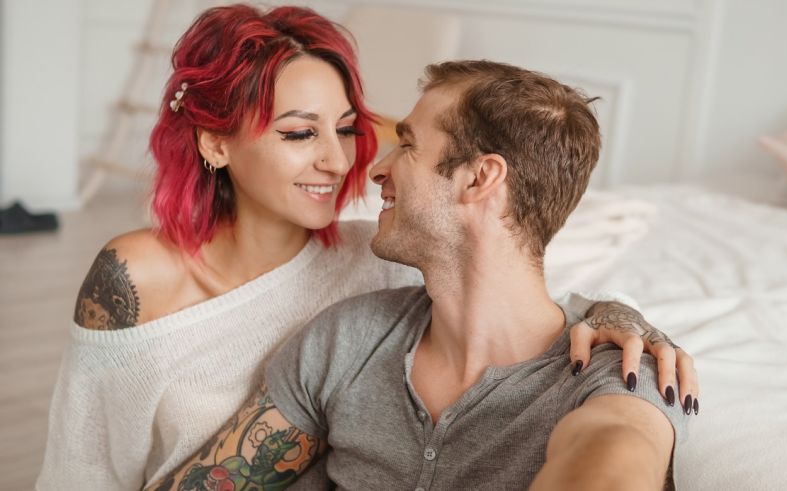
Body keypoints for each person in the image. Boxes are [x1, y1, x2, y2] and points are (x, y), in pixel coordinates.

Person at [38, 6, 695, 491]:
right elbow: (95, 461)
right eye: (300, 132)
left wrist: (621, 317)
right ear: (216, 143)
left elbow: (606, 436)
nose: (360, 164)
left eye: (377, 136)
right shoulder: (345, 333)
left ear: (480, 178)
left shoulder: (610, 378)